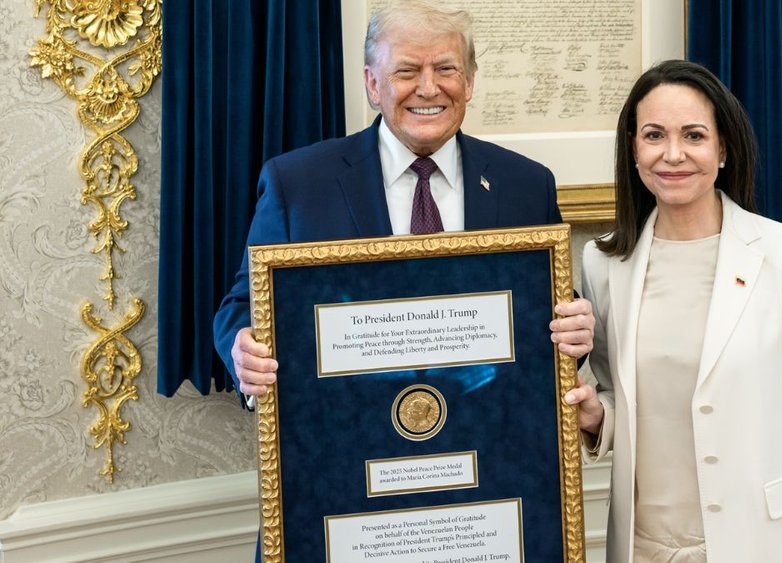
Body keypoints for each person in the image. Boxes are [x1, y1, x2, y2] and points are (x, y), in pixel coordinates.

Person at [214, 0, 595, 400]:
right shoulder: (298, 185)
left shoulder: (526, 185)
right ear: (373, 84)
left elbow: (549, 310)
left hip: (488, 422)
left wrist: (575, 329)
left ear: (469, 82)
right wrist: (244, 350)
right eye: (407, 71)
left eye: (446, 69)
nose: (428, 88)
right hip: (348, 423)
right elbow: (245, 304)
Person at [563, 60, 782, 563]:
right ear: (633, 149)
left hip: (765, 545)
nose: (673, 154)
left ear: (723, 149)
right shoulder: (603, 262)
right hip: (643, 546)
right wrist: (598, 417)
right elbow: (623, 394)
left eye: (694, 136)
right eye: (654, 135)